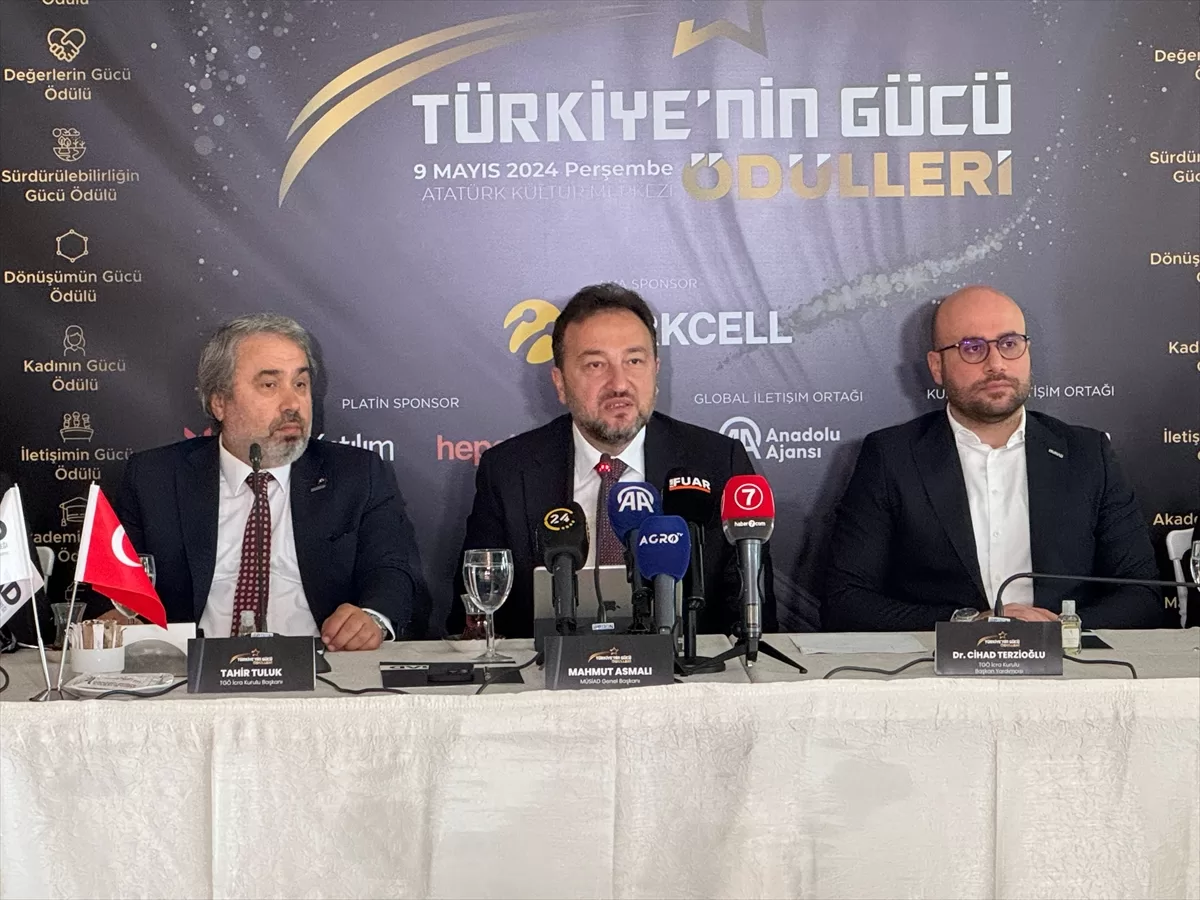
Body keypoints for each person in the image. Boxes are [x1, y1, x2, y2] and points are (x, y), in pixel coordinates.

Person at [823, 285, 1160, 631]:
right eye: (973, 348)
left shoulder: (1088, 455)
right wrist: (968, 625)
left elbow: (1142, 595)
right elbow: (845, 600)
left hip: (1068, 661)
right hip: (939, 663)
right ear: (937, 366)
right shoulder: (891, 457)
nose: (996, 364)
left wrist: (1059, 632)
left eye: (1009, 344)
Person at [451, 283, 775, 639]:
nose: (619, 383)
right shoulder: (508, 471)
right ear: (560, 383)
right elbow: (476, 614)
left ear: (655, 372)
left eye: (634, 361)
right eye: (595, 364)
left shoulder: (718, 463)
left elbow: (751, 619)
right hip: (549, 670)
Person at [94, 314, 428, 649]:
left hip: (320, 666)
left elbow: (392, 570)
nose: (293, 404)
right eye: (270, 385)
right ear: (220, 402)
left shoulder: (356, 473)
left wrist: (372, 617)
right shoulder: (155, 478)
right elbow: (112, 591)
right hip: (194, 668)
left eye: (300, 384)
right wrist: (118, 619)